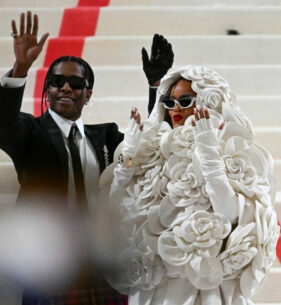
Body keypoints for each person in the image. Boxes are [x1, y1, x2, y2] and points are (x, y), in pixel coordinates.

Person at [0, 10, 174, 305]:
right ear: (48, 89)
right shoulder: (28, 131)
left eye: (75, 84)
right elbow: (4, 124)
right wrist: (21, 68)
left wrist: (157, 87)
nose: (65, 87)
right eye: (57, 81)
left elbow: (148, 146)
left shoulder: (106, 136)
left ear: (87, 94)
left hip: (100, 262)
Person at [102, 65, 280, 305]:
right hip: (154, 288)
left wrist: (208, 152)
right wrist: (130, 154)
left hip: (204, 287)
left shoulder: (229, 149)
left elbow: (229, 212)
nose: (175, 108)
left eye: (185, 101)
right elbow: (117, 211)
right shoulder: (152, 150)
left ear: (207, 102)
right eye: (169, 100)